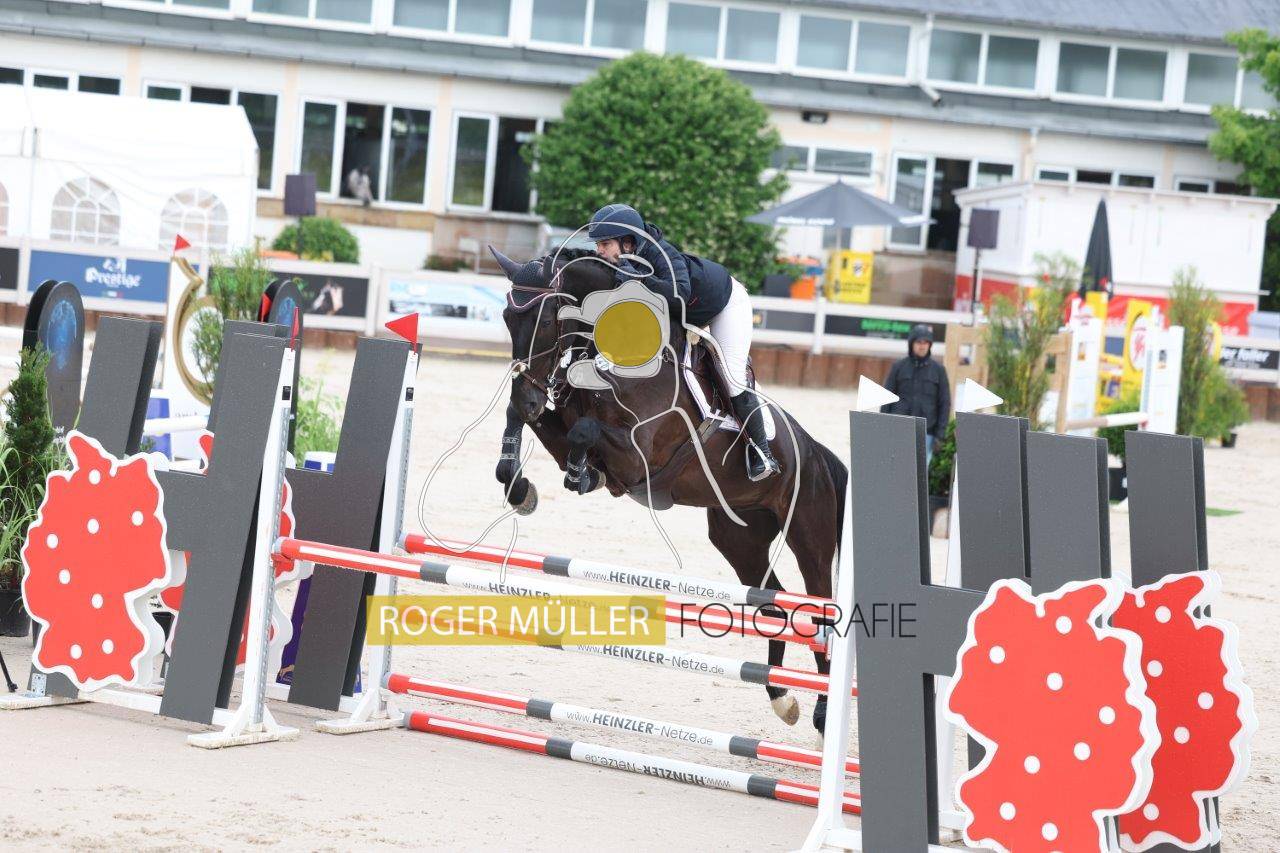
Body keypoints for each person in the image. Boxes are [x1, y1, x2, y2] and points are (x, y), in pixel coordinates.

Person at [587, 203, 779, 481]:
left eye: (605, 244)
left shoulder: (662, 254)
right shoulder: (622, 263)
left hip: (724, 305)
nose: (599, 251)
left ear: (628, 243)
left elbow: (679, 296)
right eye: (597, 245)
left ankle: (762, 451)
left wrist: (640, 279)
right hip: (683, 316)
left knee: (732, 375)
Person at [881, 324, 951, 464]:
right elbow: (886, 398)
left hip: (926, 433)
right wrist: (883, 428)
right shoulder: (898, 367)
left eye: (926, 342)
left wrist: (940, 435)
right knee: (897, 468)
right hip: (899, 429)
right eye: (919, 342)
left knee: (920, 473)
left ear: (930, 345)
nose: (922, 346)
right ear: (911, 344)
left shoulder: (939, 370)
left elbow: (944, 403)